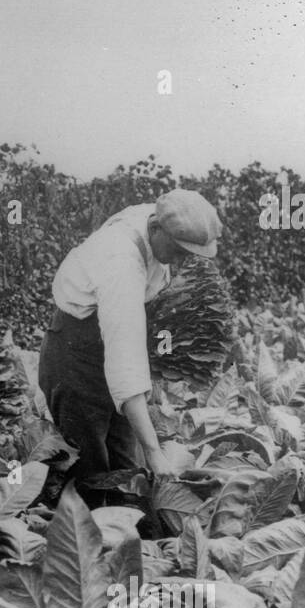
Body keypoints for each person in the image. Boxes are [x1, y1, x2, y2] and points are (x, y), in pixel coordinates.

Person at [38, 189, 223, 492]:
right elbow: (124, 362)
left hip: (102, 339)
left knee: (126, 468)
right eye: (178, 251)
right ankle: (86, 531)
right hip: (76, 355)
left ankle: (133, 529)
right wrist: (154, 452)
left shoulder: (158, 216)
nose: (180, 260)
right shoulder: (120, 264)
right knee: (89, 469)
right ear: (155, 229)